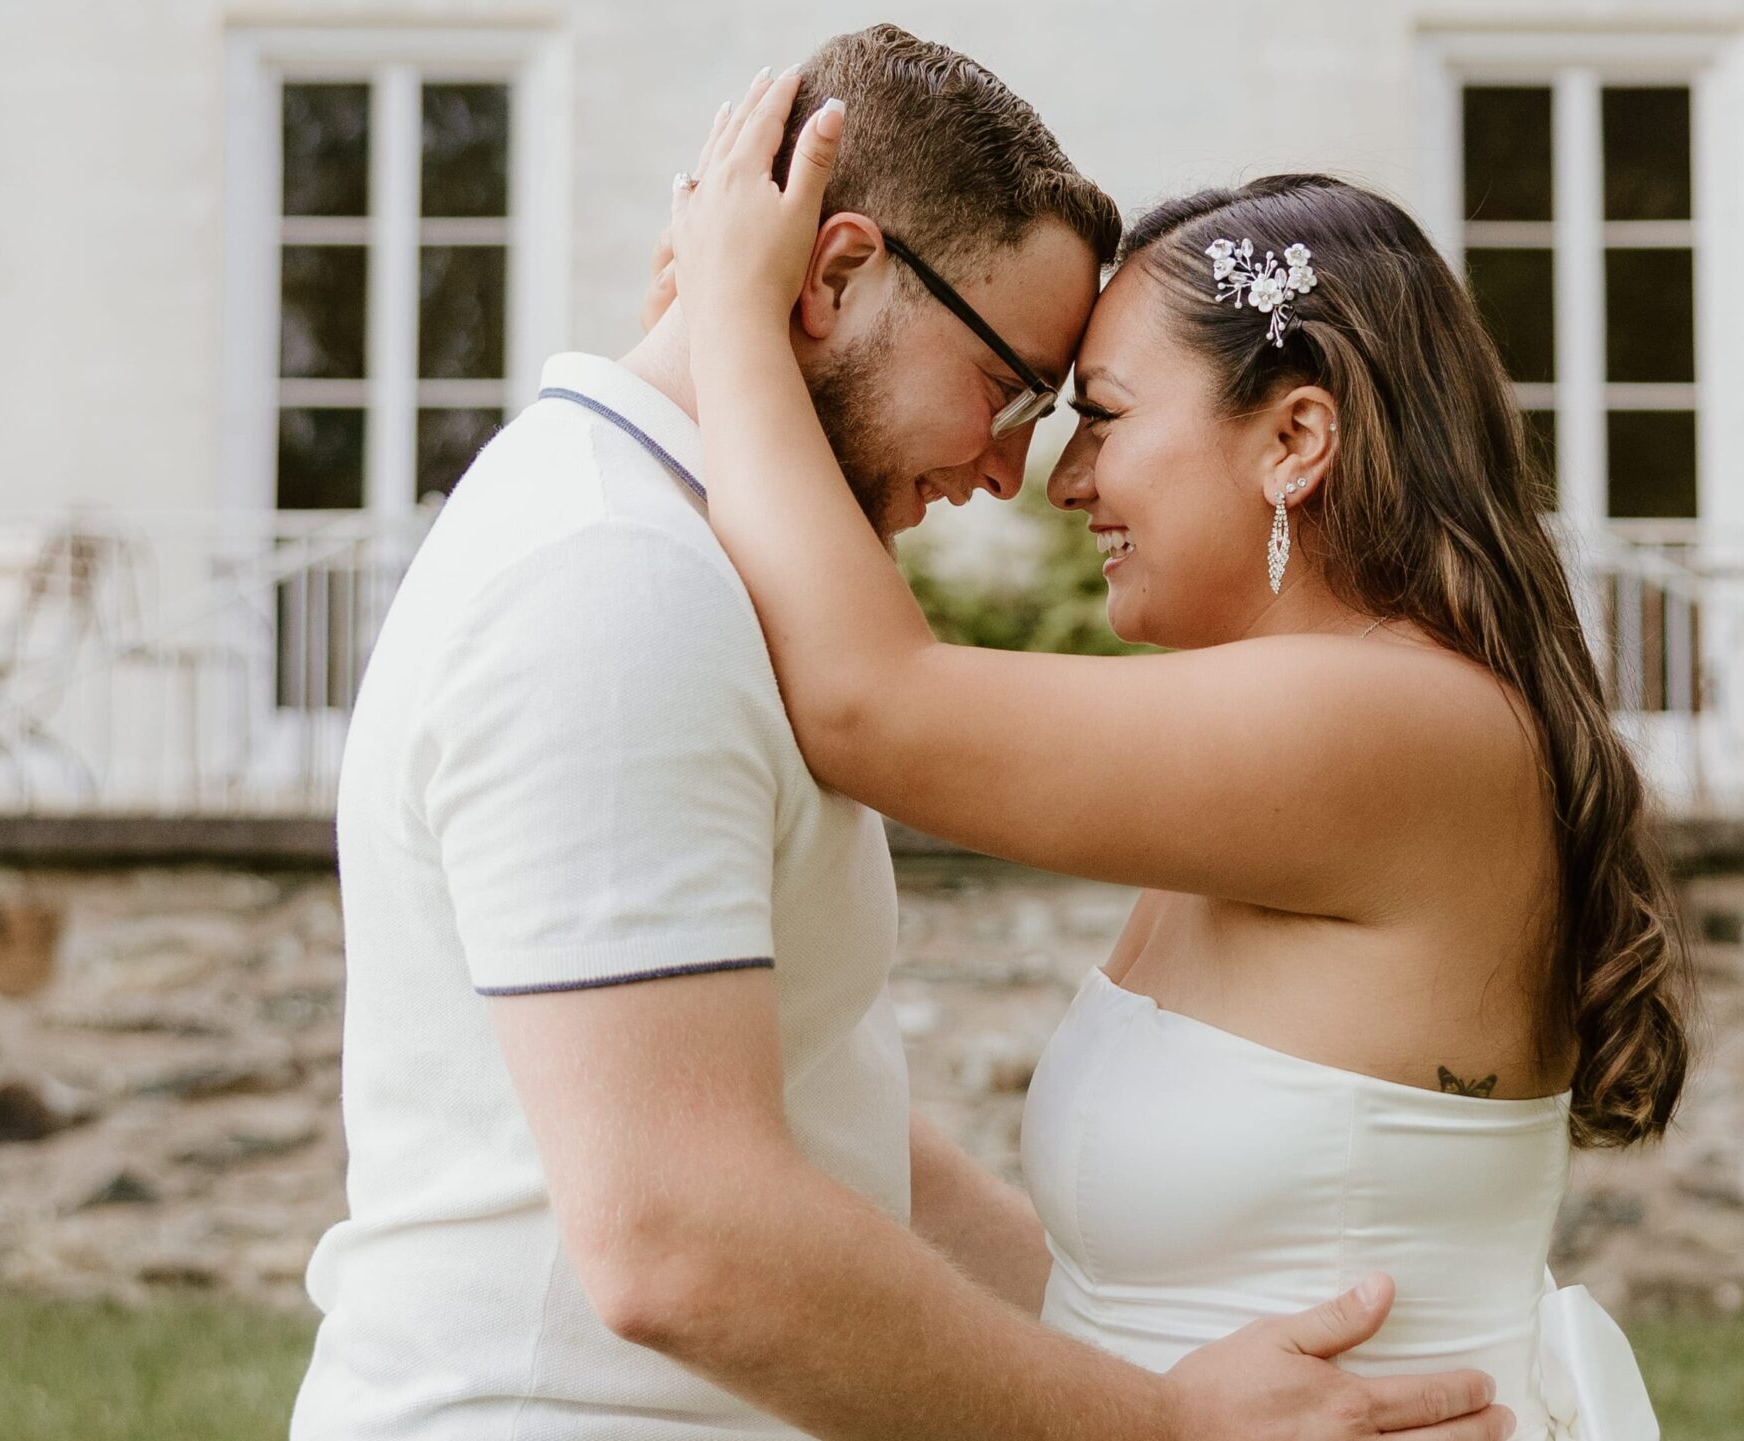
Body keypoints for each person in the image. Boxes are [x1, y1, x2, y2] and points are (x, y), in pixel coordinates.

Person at [291, 26, 1515, 1441]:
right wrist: (1161, 1425)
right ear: (835, 276)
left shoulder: (686, 562)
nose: (1015, 470)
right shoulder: (613, 581)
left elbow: (826, 1129)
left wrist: (1154, 1356)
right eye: (1011, 390)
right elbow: (681, 1238)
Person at [663, 62, 1695, 1441]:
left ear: (1296, 437)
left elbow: (869, 704)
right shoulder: (1296, 728)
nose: (1064, 477)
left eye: (1101, 414)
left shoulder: (1387, 725)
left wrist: (728, 312)